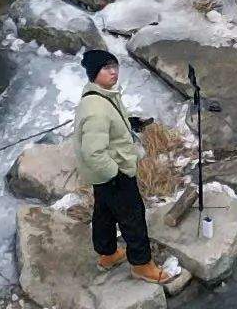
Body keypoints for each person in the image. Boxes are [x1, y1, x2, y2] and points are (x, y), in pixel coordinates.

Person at [78, 56, 182, 285]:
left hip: (102, 175)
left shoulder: (101, 97)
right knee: (132, 216)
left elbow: (109, 126)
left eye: (114, 67)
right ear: (94, 72)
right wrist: (115, 174)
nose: (113, 72)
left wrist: (131, 123)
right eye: (106, 68)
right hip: (114, 173)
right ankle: (142, 265)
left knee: (104, 212)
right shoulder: (96, 109)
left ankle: (108, 255)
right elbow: (93, 152)